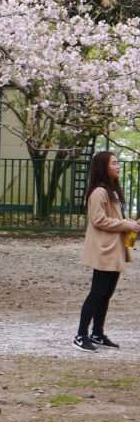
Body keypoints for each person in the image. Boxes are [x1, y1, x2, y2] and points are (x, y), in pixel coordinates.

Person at [73, 150, 140, 352]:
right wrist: (126, 224)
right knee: (97, 293)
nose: (118, 166)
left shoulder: (111, 190)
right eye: (114, 163)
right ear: (103, 167)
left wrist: (129, 224)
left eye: (118, 162)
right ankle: (80, 335)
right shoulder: (99, 192)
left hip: (113, 248)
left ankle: (97, 334)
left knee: (106, 294)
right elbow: (99, 220)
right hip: (105, 249)